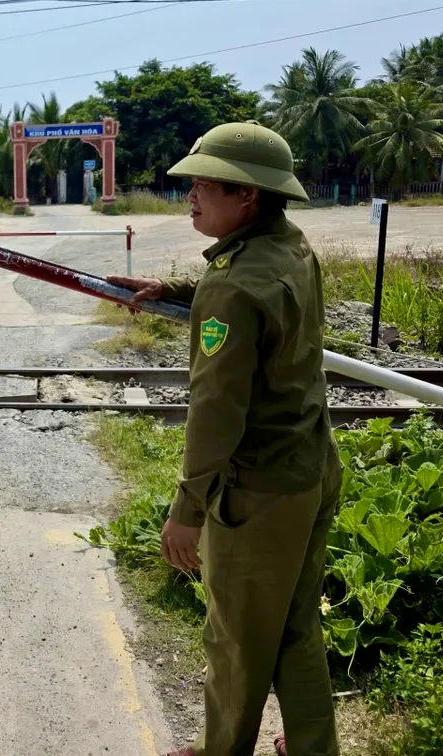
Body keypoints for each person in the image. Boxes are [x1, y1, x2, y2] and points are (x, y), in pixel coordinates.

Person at [106, 122, 343, 756]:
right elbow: (253, 300)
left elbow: (216, 411)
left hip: (260, 493)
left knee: (236, 639)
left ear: (248, 197)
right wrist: (179, 291)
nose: (190, 195)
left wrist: (186, 513)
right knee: (295, 629)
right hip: (311, 469)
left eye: (206, 186)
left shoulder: (231, 284)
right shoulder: (291, 247)